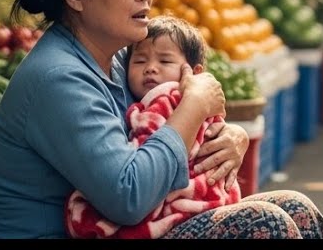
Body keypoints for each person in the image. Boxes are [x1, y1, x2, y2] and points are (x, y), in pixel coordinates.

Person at [0, 0, 323, 239]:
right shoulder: (57, 78)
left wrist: (230, 136)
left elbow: (153, 130)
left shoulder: (116, 63)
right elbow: (129, 196)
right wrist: (193, 105)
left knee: (298, 211)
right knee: (267, 224)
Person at [65, 15, 244, 239]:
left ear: (193, 73)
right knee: (270, 219)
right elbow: (138, 177)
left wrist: (237, 134)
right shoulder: (67, 75)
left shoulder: (166, 100)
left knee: (291, 206)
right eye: (139, 61)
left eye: (165, 61)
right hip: (191, 208)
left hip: (193, 203)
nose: (150, 68)